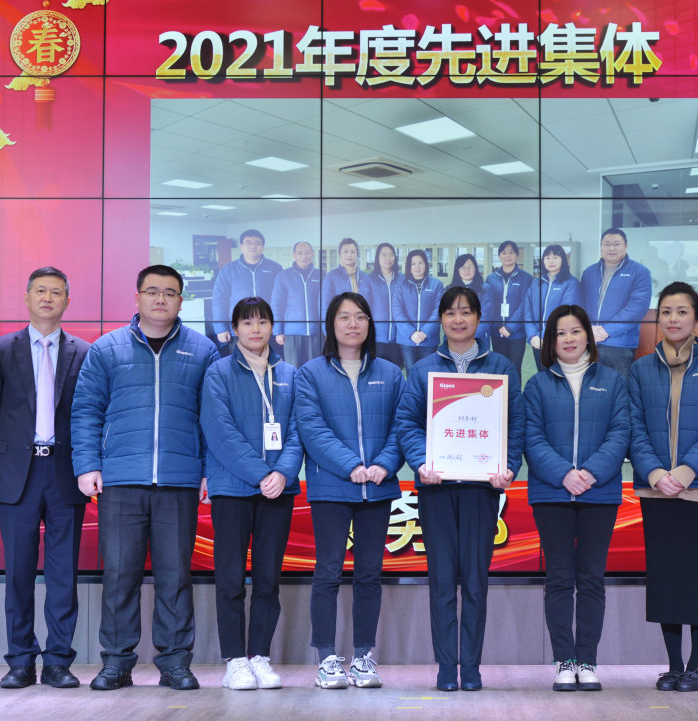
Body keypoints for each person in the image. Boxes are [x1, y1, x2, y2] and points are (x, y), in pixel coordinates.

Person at [72, 264, 219, 691]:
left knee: (175, 577)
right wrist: (87, 464)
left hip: (179, 481)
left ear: (181, 301)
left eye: (170, 293)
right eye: (152, 291)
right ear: (136, 297)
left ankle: (175, 663)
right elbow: (86, 410)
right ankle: (116, 663)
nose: (160, 299)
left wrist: (208, 470)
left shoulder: (203, 351)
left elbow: (212, 418)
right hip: (120, 480)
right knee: (120, 576)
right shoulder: (107, 348)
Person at [396, 286, 525, 692]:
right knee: (441, 582)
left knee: (474, 582)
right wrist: (421, 462)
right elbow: (407, 422)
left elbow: (516, 424)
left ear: (478, 319)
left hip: (481, 491)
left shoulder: (501, 367)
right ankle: (445, 667)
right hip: (436, 489)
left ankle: (470, 667)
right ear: (441, 320)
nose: (458, 319)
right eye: (450, 312)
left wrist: (508, 467)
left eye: (466, 312)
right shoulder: (424, 370)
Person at [0, 267, 91, 690]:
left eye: (56, 292)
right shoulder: (0, 349)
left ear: (67, 301)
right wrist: (13, 455)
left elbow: (89, 412)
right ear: (26, 297)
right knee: (18, 572)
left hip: (65, 473)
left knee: (63, 574)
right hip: (16, 476)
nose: (47, 298)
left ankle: (58, 661)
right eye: (40, 291)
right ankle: (21, 661)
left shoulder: (84, 352)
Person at [627, 282, 698, 693]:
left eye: (682, 311)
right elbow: (634, 426)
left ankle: (696, 667)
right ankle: (674, 666)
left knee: (694, 576)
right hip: (656, 490)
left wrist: (687, 472)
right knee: (664, 577)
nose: (673, 319)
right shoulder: (641, 369)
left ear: (696, 319)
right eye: (666, 312)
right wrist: (656, 474)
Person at [295, 292, 405, 689]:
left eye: (360, 316)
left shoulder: (390, 373)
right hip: (331, 487)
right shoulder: (311, 374)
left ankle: (363, 658)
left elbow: (402, 426)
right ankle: (327, 658)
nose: (353, 324)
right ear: (332, 324)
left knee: (369, 575)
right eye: (344, 317)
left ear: (369, 324)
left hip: (378, 487)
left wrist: (384, 464)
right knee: (327, 572)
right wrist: (351, 466)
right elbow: (311, 428)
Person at [523, 304, 629, 692]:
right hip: (551, 493)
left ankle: (587, 660)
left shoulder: (613, 381)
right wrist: (564, 474)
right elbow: (531, 438)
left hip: (600, 493)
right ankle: (564, 661)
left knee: (591, 579)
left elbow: (621, 432)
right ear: (550, 342)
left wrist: (591, 473)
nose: (568, 339)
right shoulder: (537, 385)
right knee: (559, 578)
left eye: (575, 331)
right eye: (560, 333)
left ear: (588, 336)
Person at [200, 297, 303, 691]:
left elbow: (298, 430)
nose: (255, 329)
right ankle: (234, 661)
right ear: (235, 329)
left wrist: (283, 473)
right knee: (230, 578)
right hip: (232, 487)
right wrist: (263, 474)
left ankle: (259, 655)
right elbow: (219, 430)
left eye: (262, 322)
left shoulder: (289, 373)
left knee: (267, 578)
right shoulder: (218, 372)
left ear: (272, 327)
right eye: (247, 322)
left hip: (278, 490)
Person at [579, 228, 652, 377]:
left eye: (617, 244)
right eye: (607, 244)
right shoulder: (589, 272)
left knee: (618, 386)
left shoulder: (639, 272)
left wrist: (606, 330)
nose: (611, 248)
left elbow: (637, 307)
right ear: (601, 246)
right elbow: (581, 304)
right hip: (590, 341)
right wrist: (587, 329)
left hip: (619, 343)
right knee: (590, 384)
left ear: (626, 246)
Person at [212, 229, 283, 348]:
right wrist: (221, 328)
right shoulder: (228, 270)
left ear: (263, 247)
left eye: (257, 243)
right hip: (239, 326)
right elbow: (219, 300)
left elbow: (281, 300)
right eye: (248, 242)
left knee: (268, 358)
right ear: (241, 246)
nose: (252, 246)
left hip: (267, 326)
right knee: (240, 359)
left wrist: (280, 329)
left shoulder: (275, 268)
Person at [525, 244, 579, 370]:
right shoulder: (536, 282)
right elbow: (527, 310)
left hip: (558, 339)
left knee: (557, 375)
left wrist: (544, 336)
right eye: (547, 258)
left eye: (555, 257)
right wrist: (533, 335)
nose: (551, 261)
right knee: (542, 374)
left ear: (563, 260)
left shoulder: (571, 283)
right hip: (537, 341)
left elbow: (565, 313)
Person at [271, 241, 323, 368]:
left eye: (307, 252)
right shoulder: (283, 276)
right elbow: (277, 304)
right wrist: (278, 331)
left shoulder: (321, 275)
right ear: (294, 255)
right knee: (293, 368)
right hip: (292, 332)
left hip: (315, 332)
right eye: (300, 253)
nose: (304, 256)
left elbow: (326, 304)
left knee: (314, 368)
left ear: (312, 254)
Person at [484, 240, 532, 374]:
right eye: (504, 252)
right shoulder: (491, 278)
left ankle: (514, 390)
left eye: (511, 252)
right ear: (499, 255)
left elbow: (525, 304)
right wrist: (498, 325)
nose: (507, 256)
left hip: (517, 333)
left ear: (517, 255)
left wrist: (510, 327)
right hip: (497, 331)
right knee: (500, 368)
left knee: (515, 369)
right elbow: (489, 304)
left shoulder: (526, 278)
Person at [393, 249, 443, 374]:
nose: (417, 267)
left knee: (428, 373)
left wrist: (425, 332)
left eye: (420, 263)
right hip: (407, 340)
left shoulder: (436, 284)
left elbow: (439, 310)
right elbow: (397, 311)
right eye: (413, 264)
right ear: (409, 267)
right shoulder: (401, 285)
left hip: (429, 340)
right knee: (411, 372)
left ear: (426, 264)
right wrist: (411, 333)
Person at [367, 242, 403, 367]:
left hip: (399, 337)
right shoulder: (369, 280)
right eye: (384, 255)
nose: (388, 258)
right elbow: (363, 307)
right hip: (377, 337)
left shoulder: (402, 279)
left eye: (391, 255)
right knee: (377, 371)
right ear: (377, 258)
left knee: (396, 371)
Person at [447, 253, 490, 346]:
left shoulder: (485, 289)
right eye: (463, 267)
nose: (467, 270)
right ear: (457, 270)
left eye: (470, 267)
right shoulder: (448, 289)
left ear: (476, 268)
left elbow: (486, 317)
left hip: (477, 339)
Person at [322, 237, 372, 310]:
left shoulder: (365, 276)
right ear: (340, 254)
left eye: (353, 252)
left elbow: (369, 302)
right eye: (345, 252)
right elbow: (325, 304)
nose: (349, 255)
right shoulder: (331, 277)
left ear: (357, 254)